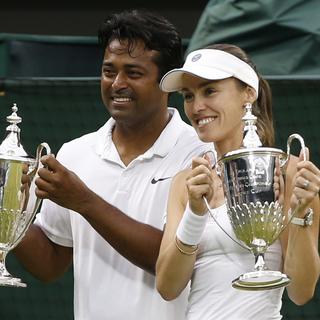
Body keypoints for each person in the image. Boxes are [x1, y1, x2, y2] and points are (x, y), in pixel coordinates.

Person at [13, 10, 212, 320]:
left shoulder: (202, 155)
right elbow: (50, 265)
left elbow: (173, 260)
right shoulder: (75, 154)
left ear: (167, 83)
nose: (117, 83)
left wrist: (84, 201)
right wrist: (11, 206)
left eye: (133, 73)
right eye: (109, 71)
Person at [156, 43, 320, 319]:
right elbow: (168, 287)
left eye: (209, 91)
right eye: (187, 95)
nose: (196, 107)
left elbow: (301, 292)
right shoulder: (186, 182)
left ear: (248, 93)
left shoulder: (289, 172)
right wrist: (195, 213)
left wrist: (301, 212)